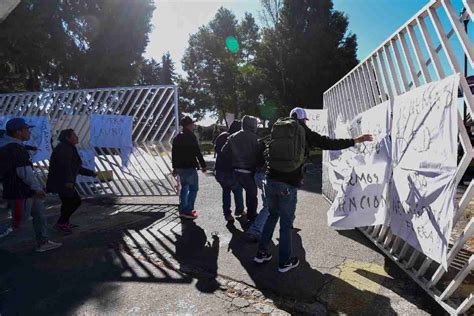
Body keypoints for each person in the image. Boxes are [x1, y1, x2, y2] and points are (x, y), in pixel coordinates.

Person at [254, 107, 373, 272]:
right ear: (303, 120)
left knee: (272, 216)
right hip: (287, 184)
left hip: (270, 179)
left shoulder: (280, 127)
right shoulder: (304, 131)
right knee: (286, 223)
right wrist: (355, 140)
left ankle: (261, 253)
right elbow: (328, 143)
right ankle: (284, 262)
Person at [0, 118, 62, 252]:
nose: (29, 132)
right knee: (18, 224)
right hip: (20, 192)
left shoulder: (12, 145)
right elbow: (24, 173)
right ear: (18, 132)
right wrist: (37, 188)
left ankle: (43, 242)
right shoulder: (14, 149)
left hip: (26, 191)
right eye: (26, 129)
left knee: (39, 214)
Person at [46, 129, 96, 233]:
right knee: (75, 202)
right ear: (67, 138)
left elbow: (75, 167)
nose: (77, 137)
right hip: (63, 182)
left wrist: (90, 173)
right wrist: (68, 182)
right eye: (74, 135)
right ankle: (61, 223)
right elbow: (65, 167)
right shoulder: (64, 149)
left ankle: (64, 222)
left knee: (68, 203)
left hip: (64, 182)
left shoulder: (68, 147)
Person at [222, 115, 262, 222]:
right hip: (249, 172)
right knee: (252, 196)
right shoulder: (256, 138)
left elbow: (224, 151)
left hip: (235, 171)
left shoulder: (232, 137)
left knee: (237, 194)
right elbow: (260, 156)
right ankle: (251, 216)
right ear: (252, 125)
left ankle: (239, 212)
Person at [172, 116, 207, 220]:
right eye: (192, 124)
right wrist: (203, 165)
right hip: (189, 167)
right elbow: (197, 152)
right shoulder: (191, 136)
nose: (193, 125)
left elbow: (174, 154)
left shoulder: (177, 137)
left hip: (180, 168)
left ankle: (183, 209)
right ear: (188, 125)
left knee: (184, 188)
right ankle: (188, 210)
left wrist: (174, 168)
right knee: (193, 189)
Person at [214, 120, 244, 222]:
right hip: (230, 170)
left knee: (226, 192)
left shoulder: (222, 135)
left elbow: (216, 149)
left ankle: (227, 214)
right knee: (238, 190)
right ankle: (239, 211)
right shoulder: (235, 138)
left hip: (219, 170)